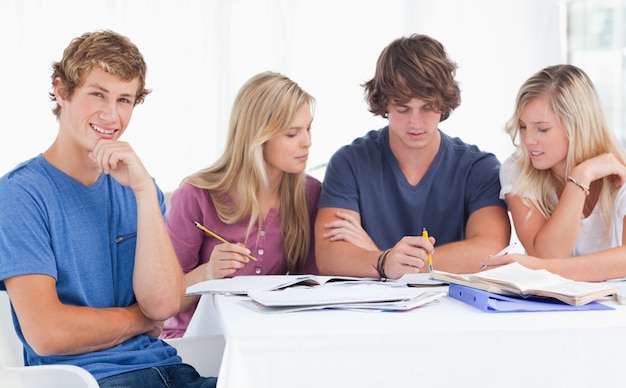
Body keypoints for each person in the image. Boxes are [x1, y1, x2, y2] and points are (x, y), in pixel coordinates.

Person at [0, 30, 217, 387]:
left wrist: (146, 191)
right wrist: (139, 320)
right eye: (97, 94)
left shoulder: (138, 188)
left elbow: (162, 307)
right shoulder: (21, 194)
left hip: (173, 371)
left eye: (125, 100)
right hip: (91, 379)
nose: (111, 115)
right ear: (61, 90)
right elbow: (47, 332)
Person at [315, 34, 511, 280]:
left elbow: (490, 251)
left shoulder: (479, 168)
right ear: (384, 104)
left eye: (427, 107)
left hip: (453, 310)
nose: (415, 122)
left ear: (444, 102)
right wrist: (386, 260)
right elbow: (329, 256)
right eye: (402, 108)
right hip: (366, 312)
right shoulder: (349, 163)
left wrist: (385, 260)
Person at [161, 71, 321, 338]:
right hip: (197, 343)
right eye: (292, 133)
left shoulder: (310, 194)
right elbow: (165, 304)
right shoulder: (196, 195)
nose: (307, 142)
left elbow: (311, 287)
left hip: (266, 338)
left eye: (308, 128)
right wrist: (208, 272)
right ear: (257, 136)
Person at [486, 64, 626, 282]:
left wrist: (539, 268)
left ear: (578, 127)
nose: (528, 140)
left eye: (542, 129)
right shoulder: (518, 171)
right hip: (549, 309)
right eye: (523, 126)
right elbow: (548, 255)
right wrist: (580, 179)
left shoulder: (620, 170)